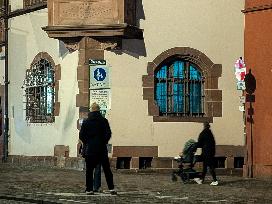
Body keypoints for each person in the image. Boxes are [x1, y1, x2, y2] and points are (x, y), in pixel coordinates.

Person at [79, 102, 116, 195]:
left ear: (91, 111)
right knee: (107, 169)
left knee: (89, 170)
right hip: (101, 148)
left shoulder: (86, 122)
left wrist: (88, 142)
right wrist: (103, 141)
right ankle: (111, 188)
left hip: (90, 149)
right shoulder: (104, 121)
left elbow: (82, 136)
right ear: (99, 110)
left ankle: (89, 189)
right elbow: (108, 134)